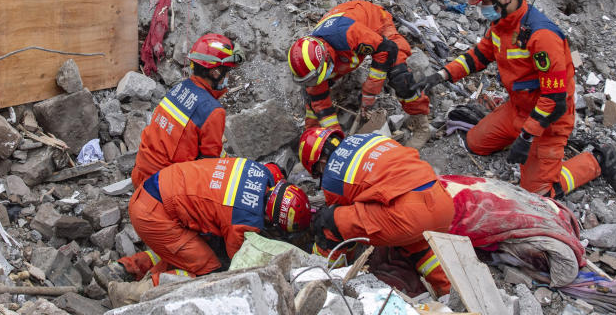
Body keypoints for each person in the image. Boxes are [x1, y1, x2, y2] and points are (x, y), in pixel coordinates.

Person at [419, 0, 616, 198]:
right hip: (518, 109)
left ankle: (598, 160)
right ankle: (519, 143)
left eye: (486, 3)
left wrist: (527, 137)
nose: (483, 9)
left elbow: (554, 99)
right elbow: (479, 55)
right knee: (474, 144)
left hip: (548, 122)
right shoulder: (500, 25)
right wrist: (442, 75)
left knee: (537, 194)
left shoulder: (542, 37)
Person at [103, 157, 311, 304]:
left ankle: (123, 268)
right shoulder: (242, 222)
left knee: (193, 248)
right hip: (154, 214)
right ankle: (131, 294)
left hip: (155, 188)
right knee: (209, 272)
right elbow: (239, 265)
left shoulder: (261, 171)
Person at [299, 126, 453, 296]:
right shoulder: (369, 139)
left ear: (321, 163)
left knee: (328, 221)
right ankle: (452, 294)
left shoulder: (332, 176)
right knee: (418, 244)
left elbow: (345, 226)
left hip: (408, 216)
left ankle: (330, 281)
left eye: (317, 173)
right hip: (442, 203)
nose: (321, 176)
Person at [287, 0, 431, 148]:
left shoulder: (347, 35)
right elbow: (319, 103)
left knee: (399, 75)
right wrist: (334, 142)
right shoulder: (314, 60)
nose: (314, 83)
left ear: (326, 60)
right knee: (313, 99)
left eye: (315, 79)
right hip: (348, 34)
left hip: (376, 22)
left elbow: (387, 49)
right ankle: (313, 139)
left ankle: (422, 126)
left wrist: (369, 93)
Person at [131, 33, 243, 188]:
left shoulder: (181, 87)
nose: (228, 77)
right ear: (215, 72)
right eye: (227, 72)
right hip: (161, 190)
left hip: (141, 174)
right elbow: (209, 167)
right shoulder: (213, 111)